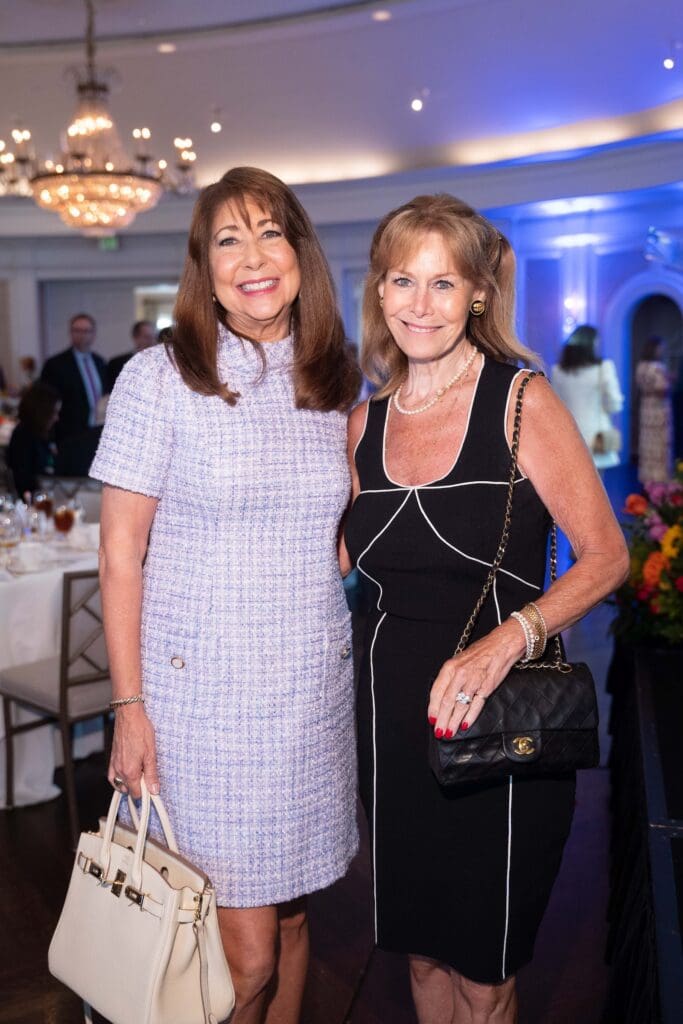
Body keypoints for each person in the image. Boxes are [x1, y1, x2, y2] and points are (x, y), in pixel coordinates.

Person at [340, 194, 629, 1024]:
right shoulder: (361, 425)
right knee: (422, 953)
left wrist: (505, 641)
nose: (418, 304)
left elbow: (607, 556)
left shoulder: (519, 400)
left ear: (476, 294)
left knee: (483, 968)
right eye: (402, 280)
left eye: (443, 283)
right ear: (380, 290)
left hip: (498, 716)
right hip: (390, 721)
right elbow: (331, 565)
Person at [90, 166, 361, 1024]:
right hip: (200, 704)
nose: (252, 257)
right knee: (240, 963)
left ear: (300, 253)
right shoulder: (159, 376)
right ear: (202, 267)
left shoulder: (332, 384)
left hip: (307, 697)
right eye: (227, 240)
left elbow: (343, 543)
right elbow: (119, 553)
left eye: (270, 232)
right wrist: (129, 706)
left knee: (288, 920)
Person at [41, 313, 108, 475]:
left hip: (96, 434)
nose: (82, 335)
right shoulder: (55, 364)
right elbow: (46, 405)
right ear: (70, 333)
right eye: (77, 330)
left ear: (93, 334)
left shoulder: (100, 362)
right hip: (68, 436)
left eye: (87, 331)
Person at [551, 324, 624, 471]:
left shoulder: (557, 370)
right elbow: (614, 404)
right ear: (591, 344)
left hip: (568, 436)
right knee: (596, 488)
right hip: (595, 438)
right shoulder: (603, 367)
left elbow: (556, 405)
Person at [6, 381, 60, 497]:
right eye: (54, 412)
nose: (56, 418)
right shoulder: (24, 438)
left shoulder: (41, 434)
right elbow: (24, 481)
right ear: (42, 412)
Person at [635, 335, 673, 483]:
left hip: (646, 408)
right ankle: (659, 483)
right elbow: (663, 388)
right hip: (659, 410)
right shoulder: (658, 367)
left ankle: (647, 479)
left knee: (646, 446)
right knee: (659, 447)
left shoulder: (641, 366)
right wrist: (669, 379)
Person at [107, 319, 158, 390]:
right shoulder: (116, 364)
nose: (153, 342)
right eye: (147, 337)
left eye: (155, 337)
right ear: (135, 338)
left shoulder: (162, 364)